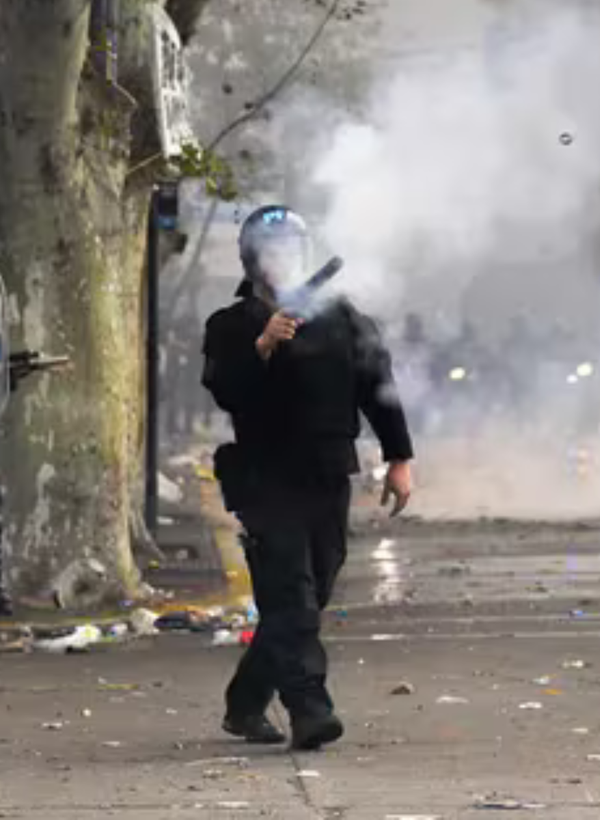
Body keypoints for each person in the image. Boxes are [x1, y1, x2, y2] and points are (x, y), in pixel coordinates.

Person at [202, 205, 414, 751]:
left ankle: (246, 700)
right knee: (290, 598)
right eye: (272, 251)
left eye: (292, 250)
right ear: (252, 259)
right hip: (265, 475)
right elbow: (226, 388)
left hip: (327, 471)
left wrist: (399, 457)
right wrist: (263, 346)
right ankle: (310, 709)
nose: (283, 261)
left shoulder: (341, 317)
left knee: (310, 591)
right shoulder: (230, 325)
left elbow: (377, 385)